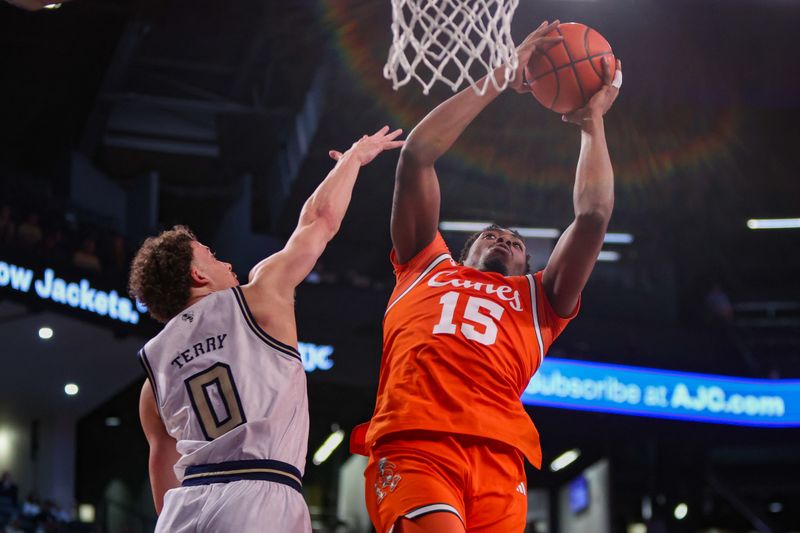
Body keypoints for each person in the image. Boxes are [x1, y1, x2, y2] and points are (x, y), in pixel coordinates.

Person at [350, 21, 622, 533]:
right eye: (494, 234)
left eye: (517, 243)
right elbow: (416, 156)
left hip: (502, 458)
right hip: (416, 443)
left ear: (527, 264)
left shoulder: (540, 298)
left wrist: (592, 124)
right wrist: (501, 75)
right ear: (466, 245)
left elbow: (594, 216)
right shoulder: (422, 266)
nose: (506, 240)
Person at [129, 127, 403, 533]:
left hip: (183, 509)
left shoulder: (153, 379)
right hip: (260, 492)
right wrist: (353, 160)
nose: (226, 264)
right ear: (196, 275)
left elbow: (162, 472)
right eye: (213, 256)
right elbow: (319, 219)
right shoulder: (259, 296)